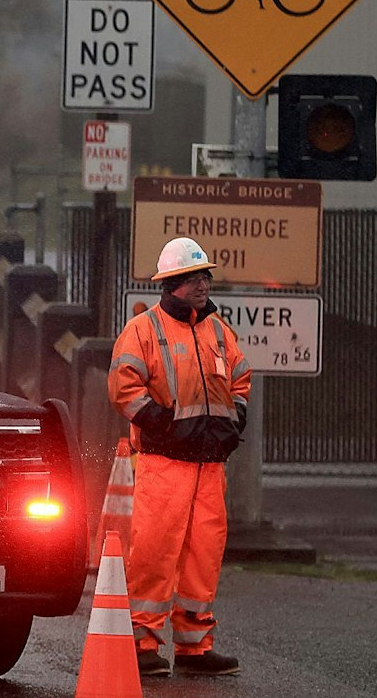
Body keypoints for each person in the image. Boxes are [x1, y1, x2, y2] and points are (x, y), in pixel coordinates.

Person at [110, 236, 251, 677]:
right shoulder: (144, 329)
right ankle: (141, 644)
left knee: (202, 556)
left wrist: (236, 419)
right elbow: (123, 387)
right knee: (154, 553)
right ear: (171, 284)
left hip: (210, 465)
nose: (202, 283)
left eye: (204, 275)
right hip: (165, 462)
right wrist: (163, 424)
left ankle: (194, 648)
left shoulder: (219, 332)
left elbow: (241, 379)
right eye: (192, 277)